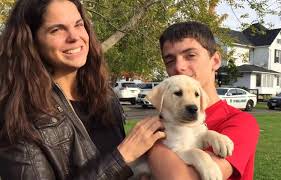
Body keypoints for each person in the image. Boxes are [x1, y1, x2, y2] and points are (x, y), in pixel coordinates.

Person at [0, 0, 165, 179]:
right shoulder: (18, 115)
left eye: (78, 25)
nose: (74, 36)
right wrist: (121, 158)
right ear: (31, 41)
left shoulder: (105, 97)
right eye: (56, 29)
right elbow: (121, 161)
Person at [147, 21, 260, 180]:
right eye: (170, 60)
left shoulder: (241, 123)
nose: (179, 67)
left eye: (190, 55)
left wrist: (151, 147)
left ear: (215, 61)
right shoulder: (162, 120)